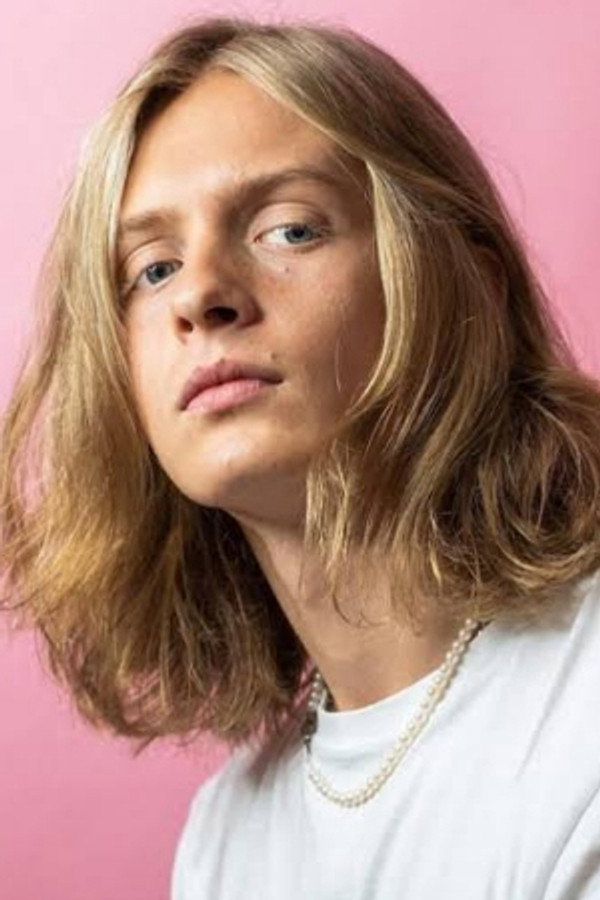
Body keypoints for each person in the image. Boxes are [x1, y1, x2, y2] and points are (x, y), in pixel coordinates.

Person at [1, 14, 600, 899]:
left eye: (289, 229)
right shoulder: (225, 840)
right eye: (153, 269)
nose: (200, 294)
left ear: (466, 283)